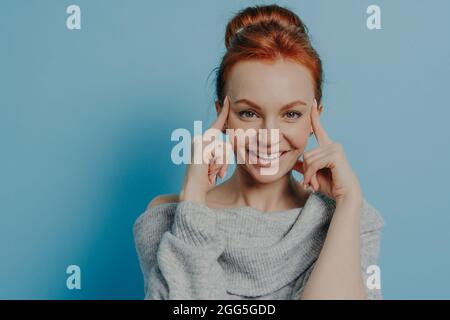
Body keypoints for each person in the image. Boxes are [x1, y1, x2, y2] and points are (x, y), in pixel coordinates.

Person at [134, 4, 384, 300]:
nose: (268, 138)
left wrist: (349, 201)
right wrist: (193, 200)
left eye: (291, 114)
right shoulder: (166, 217)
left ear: (314, 118)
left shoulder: (350, 217)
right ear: (222, 116)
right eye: (249, 113)